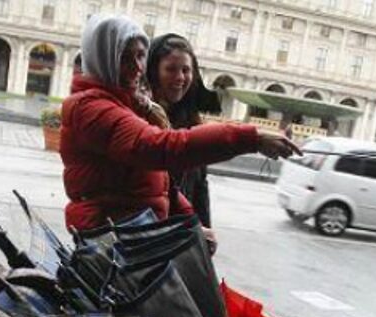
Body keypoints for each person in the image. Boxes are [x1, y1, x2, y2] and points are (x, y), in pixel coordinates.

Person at [59, 15, 300, 231]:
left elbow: (161, 182)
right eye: (125, 57)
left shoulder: (130, 105)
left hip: (135, 233)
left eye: (141, 55)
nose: (137, 67)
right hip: (117, 242)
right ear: (103, 57)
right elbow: (161, 149)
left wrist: (190, 224)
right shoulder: (91, 107)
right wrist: (251, 138)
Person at [146, 33, 219, 230]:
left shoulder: (192, 122)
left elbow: (200, 188)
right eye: (170, 69)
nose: (179, 78)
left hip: (183, 235)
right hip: (149, 235)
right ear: (153, 73)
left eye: (186, 70)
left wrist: (204, 231)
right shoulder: (142, 120)